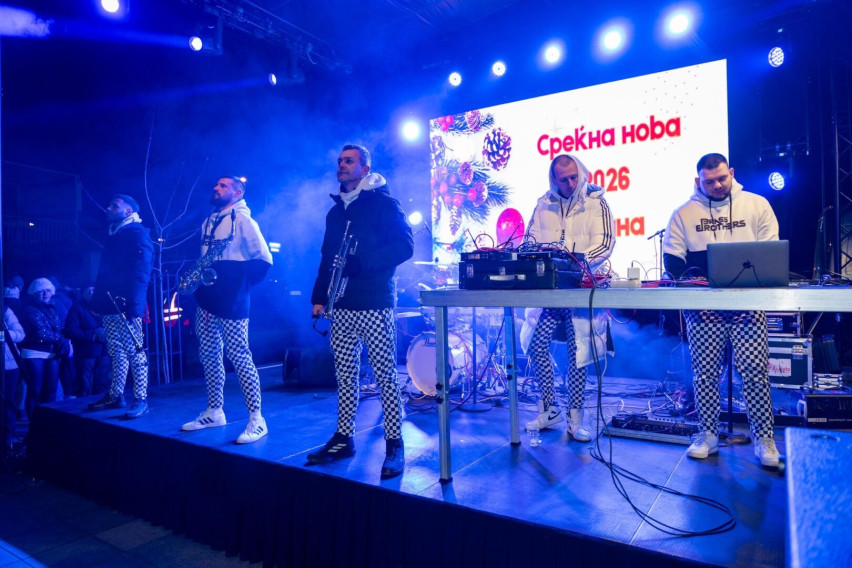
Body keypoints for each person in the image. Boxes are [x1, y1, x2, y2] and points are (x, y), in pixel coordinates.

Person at [663, 153, 780, 467]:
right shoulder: (683, 214)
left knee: (754, 373)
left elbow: (771, 253)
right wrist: (693, 283)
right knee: (704, 375)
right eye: (709, 181)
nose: (716, 185)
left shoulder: (757, 205)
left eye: (721, 179)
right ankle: (707, 434)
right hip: (704, 309)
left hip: (747, 306)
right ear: (698, 180)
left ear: (731, 173)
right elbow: (673, 262)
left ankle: (764, 437)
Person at [308, 144, 413, 478]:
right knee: (345, 374)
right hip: (341, 305)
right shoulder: (336, 211)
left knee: (385, 375)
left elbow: (405, 246)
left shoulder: (384, 203)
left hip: (374, 301)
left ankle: (395, 443)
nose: (341, 165)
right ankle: (344, 438)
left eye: (349, 161)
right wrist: (319, 296)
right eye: (340, 160)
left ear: (365, 169)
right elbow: (327, 257)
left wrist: (362, 262)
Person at [522, 153, 615, 442]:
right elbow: (528, 242)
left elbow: (606, 243)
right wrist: (547, 263)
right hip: (551, 292)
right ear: (554, 179)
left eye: (574, 177)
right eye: (564, 179)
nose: (571, 183)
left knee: (578, 353)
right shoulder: (543, 204)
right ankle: (549, 409)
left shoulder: (596, 201)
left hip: (581, 290)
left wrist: (576, 265)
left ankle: (576, 417)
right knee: (536, 345)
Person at [180, 176, 273, 444]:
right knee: (209, 356)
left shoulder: (243, 220)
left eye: (223, 186)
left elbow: (264, 259)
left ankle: (257, 419)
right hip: (206, 300)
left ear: (237, 193)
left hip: (232, 301)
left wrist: (237, 287)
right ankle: (214, 411)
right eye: (216, 185)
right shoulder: (209, 220)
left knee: (240, 356)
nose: (216, 188)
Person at [88, 194, 154, 419]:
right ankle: (116, 395)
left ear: (128, 211)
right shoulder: (114, 233)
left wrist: (135, 305)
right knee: (116, 350)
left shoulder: (137, 233)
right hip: (110, 302)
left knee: (135, 350)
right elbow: (104, 272)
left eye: (114, 206)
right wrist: (98, 301)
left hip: (126, 304)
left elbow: (142, 271)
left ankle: (141, 398)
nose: (108, 208)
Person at [19, 278, 68, 413]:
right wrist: (61, 339)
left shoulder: (53, 308)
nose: (46, 293)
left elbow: (59, 328)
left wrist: (61, 338)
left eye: (48, 290)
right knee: (35, 389)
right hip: (34, 352)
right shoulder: (30, 309)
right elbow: (41, 332)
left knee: (51, 389)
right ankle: (33, 420)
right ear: (34, 293)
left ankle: (47, 419)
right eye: (41, 291)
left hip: (52, 352)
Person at [65, 284, 110, 397]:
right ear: (83, 293)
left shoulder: (105, 308)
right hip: (85, 355)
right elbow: (71, 330)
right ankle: (83, 407)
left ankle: (99, 407)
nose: (91, 292)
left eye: (93, 289)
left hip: (104, 353)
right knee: (84, 387)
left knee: (101, 385)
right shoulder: (76, 309)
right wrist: (92, 335)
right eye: (88, 290)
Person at [3, 306, 25, 450]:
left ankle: (9, 436)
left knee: (8, 400)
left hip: (8, 364)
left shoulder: (5, 311)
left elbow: (21, 334)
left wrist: (3, 333)